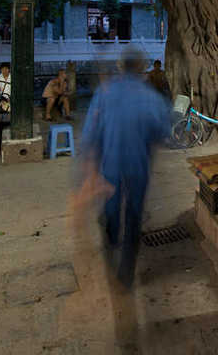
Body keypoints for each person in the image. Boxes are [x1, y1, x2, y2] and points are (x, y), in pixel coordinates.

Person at [75, 49, 170, 288]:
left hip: (111, 166)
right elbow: (162, 133)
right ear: (141, 69)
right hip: (138, 165)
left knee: (112, 213)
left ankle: (110, 252)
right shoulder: (150, 97)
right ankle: (127, 270)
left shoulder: (104, 95)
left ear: (120, 67)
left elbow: (90, 136)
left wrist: (89, 170)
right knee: (134, 216)